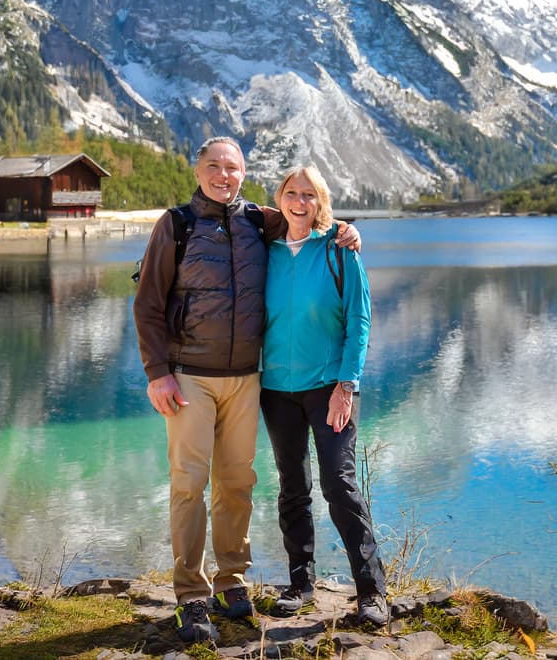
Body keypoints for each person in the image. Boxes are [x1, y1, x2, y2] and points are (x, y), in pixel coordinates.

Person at [132, 137, 359, 644]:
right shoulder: (177, 225)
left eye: (232, 168)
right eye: (213, 166)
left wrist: (346, 230)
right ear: (198, 171)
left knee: (237, 483)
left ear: (243, 173)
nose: (223, 175)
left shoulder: (260, 220)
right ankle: (191, 595)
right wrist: (157, 372)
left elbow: (310, 218)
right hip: (188, 376)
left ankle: (232, 582)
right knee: (189, 485)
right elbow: (147, 303)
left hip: (246, 379)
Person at [260, 165, 388, 627]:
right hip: (275, 389)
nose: (299, 202)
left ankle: (371, 591)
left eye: (308, 195)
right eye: (291, 193)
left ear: (321, 201)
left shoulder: (340, 249)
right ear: (279, 199)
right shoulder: (265, 249)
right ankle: (300, 583)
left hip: (330, 389)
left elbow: (359, 320)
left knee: (339, 485)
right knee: (292, 487)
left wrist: (346, 385)